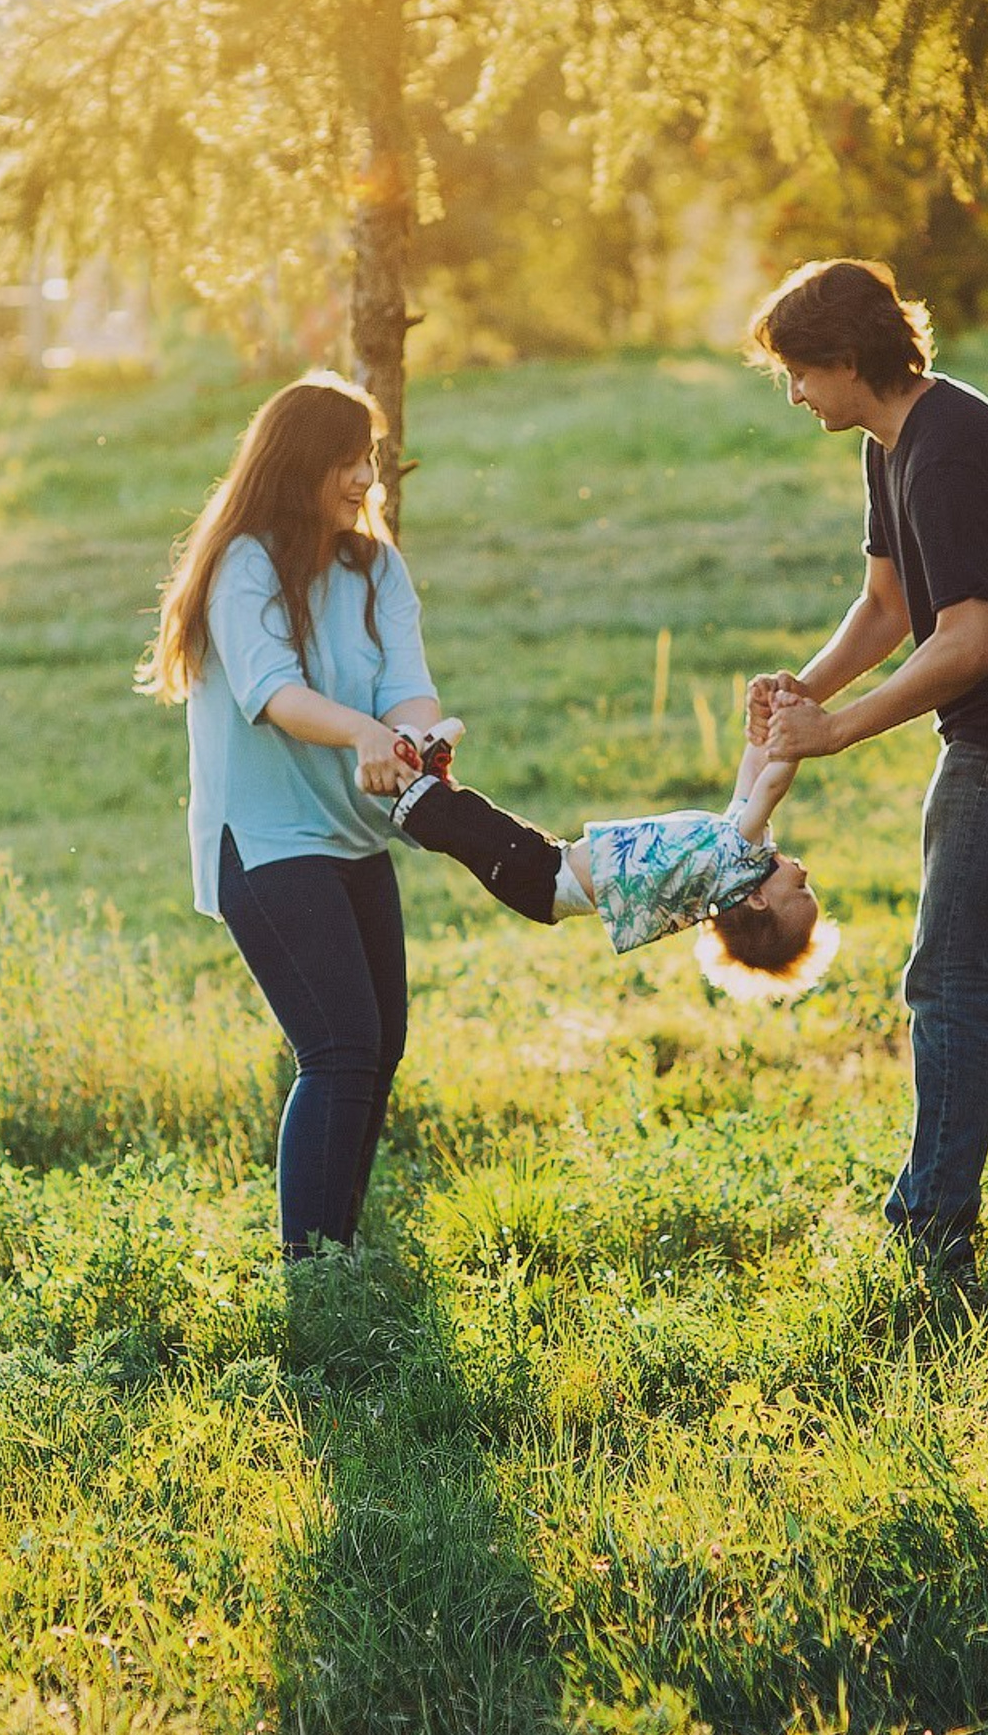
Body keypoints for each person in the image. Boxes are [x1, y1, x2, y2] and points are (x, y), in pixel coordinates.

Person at [745, 258, 988, 1283]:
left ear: (844, 358)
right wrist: (806, 689)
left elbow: (969, 643)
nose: (791, 395)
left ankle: (933, 1230)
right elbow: (889, 606)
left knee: (950, 974)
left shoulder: (950, 453)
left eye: (797, 373)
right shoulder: (897, 441)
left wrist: (840, 732)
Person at [137, 372, 440, 1259]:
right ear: (299, 463)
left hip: (351, 838)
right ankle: (315, 1278)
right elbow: (272, 694)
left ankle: (337, 1254)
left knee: (379, 1049)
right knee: (340, 1047)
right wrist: (363, 736)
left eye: (372, 462)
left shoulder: (377, 565)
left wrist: (417, 737)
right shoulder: (245, 566)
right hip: (264, 844)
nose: (365, 480)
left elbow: (408, 687)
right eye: (346, 462)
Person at [382, 732, 839, 1000]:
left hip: (544, 880)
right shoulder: (737, 856)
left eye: (799, 892)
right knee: (477, 825)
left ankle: (403, 780)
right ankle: (428, 782)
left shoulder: (739, 863)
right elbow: (752, 780)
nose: (804, 873)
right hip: (550, 866)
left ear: (757, 899)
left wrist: (796, 740)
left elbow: (772, 784)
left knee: (469, 827)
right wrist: (760, 730)